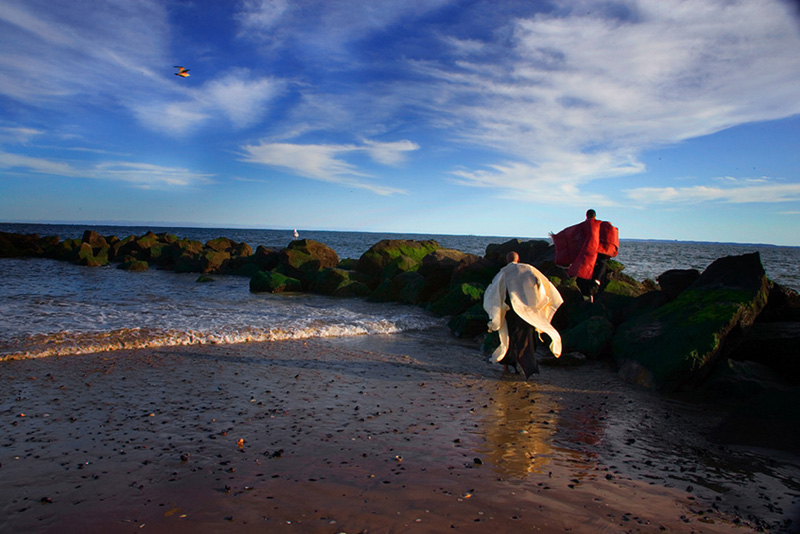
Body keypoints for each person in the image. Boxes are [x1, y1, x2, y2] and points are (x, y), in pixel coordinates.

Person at [483, 251, 564, 378]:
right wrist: (538, 302)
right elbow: (542, 285)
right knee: (527, 338)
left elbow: (494, 293)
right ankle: (527, 367)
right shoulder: (529, 269)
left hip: (511, 312)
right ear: (518, 259)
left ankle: (507, 366)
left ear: (507, 260)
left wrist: (496, 313)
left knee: (510, 337)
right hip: (529, 311)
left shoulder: (503, 272)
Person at [551, 209, 619, 302]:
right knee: (601, 264)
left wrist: (558, 237)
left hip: (587, 251)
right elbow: (610, 232)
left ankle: (587, 294)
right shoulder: (600, 224)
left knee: (582, 271)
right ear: (595, 216)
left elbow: (571, 234)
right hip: (598, 250)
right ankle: (596, 282)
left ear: (587, 216)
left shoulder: (583, 226)